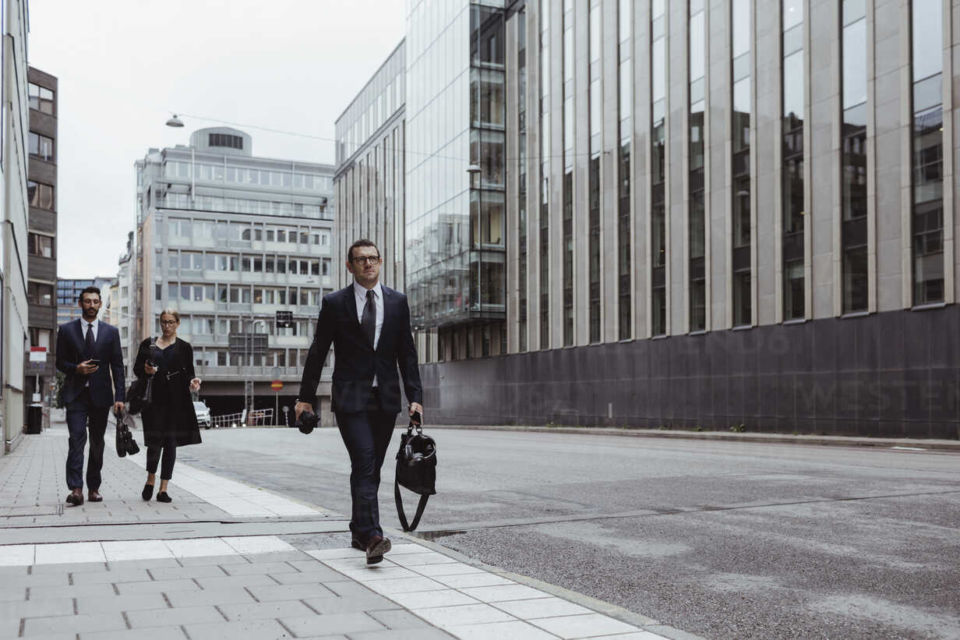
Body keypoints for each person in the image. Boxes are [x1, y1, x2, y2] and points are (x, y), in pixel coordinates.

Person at [296, 239, 423, 565]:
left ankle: (358, 529)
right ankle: (373, 536)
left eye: (372, 259)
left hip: (386, 399)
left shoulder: (397, 302)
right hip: (351, 398)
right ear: (349, 266)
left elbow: (406, 354)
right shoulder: (335, 303)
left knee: (370, 468)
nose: (368, 264)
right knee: (365, 461)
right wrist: (305, 399)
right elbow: (318, 351)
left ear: (380, 262)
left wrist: (416, 399)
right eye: (360, 260)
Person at [55, 286, 125, 506]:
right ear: (80, 304)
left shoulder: (110, 332)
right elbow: (59, 362)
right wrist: (76, 368)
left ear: (100, 304)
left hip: (101, 396)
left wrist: (119, 397)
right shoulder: (66, 330)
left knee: (97, 442)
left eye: (95, 301)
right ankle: (76, 489)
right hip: (75, 394)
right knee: (76, 439)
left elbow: (118, 366)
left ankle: (93, 487)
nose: (91, 305)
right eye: (87, 301)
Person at [133, 309, 202, 503]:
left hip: (177, 402)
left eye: (171, 322)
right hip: (154, 401)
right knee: (154, 443)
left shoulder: (184, 347)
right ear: (160, 322)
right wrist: (146, 370)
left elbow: (190, 373)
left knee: (171, 444)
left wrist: (193, 382)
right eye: (164, 322)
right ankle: (150, 479)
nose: (167, 326)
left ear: (178, 323)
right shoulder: (149, 344)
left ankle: (163, 488)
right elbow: (137, 369)